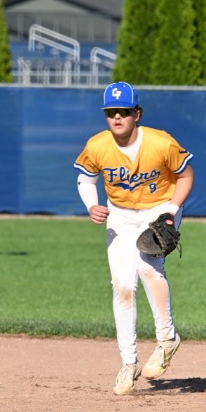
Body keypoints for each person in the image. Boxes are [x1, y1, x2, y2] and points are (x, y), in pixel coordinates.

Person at [73, 81, 194, 395]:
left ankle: (167, 339)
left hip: (159, 208)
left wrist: (172, 211)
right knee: (123, 285)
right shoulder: (98, 145)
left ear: (136, 114)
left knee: (148, 268)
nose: (117, 117)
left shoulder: (160, 142)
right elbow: (86, 178)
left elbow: (186, 175)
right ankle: (128, 363)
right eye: (111, 111)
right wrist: (91, 205)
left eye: (124, 111)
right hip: (120, 214)